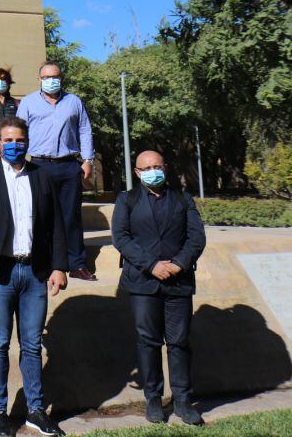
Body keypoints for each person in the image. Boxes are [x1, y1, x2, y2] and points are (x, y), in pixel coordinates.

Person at [0, 117, 68, 437]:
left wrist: (59, 266)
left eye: (19, 140)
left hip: (35, 272)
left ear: (27, 142)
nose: (14, 145)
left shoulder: (42, 177)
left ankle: (35, 410)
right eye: (8, 139)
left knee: (32, 345)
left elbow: (56, 227)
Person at [112, 150, 206, 426]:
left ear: (165, 167)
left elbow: (196, 237)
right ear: (137, 173)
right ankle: (153, 399)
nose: (153, 170)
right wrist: (152, 265)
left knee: (179, 342)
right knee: (148, 342)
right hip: (143, 282)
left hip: (179, 282)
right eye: (146, 167)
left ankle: (183, 401)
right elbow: (121, 238)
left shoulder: (183, 199)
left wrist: (178, 264)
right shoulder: (126, 200)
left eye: (157, 166)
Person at [16, 61, 97, 281]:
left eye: (55, 76)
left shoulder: (74, 102)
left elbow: (84, 130)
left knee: (71, 217)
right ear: (39, 79)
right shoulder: (28, 103)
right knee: (39, 215)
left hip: (69, 165)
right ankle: (44, 263)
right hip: (38, 165)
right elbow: (19, 132)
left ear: (61, 78)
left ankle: (77, 264)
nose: (51, 81)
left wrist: (88, 160)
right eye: (46, 77)